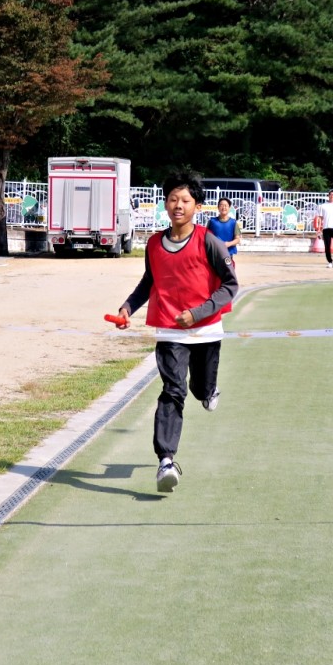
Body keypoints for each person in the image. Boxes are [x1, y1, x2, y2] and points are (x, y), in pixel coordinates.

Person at [114, 172, 238, 494]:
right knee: (173, 390)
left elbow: (230, 286)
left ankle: (209, 391)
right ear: (165, 203)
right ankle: (166, 460)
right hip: (169, 329)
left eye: (185, 200)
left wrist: (198, 313)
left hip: (206, 330)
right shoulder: (154, 244)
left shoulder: (209, 241)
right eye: (172, 199)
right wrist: (128, 307)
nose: (178, 205)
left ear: (197, 205)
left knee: (199, 389)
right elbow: (148, 282)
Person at [206, 197, 241, 265]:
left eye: (226, 205)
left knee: (227, 273)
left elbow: (237, 239)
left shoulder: (233, 223)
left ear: (229, 208)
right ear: (218, 207)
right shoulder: (212, 222)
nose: (223, 207)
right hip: (215, 253)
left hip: (228, 253)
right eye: (221, 205)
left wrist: (228, 244)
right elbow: (206, 237)